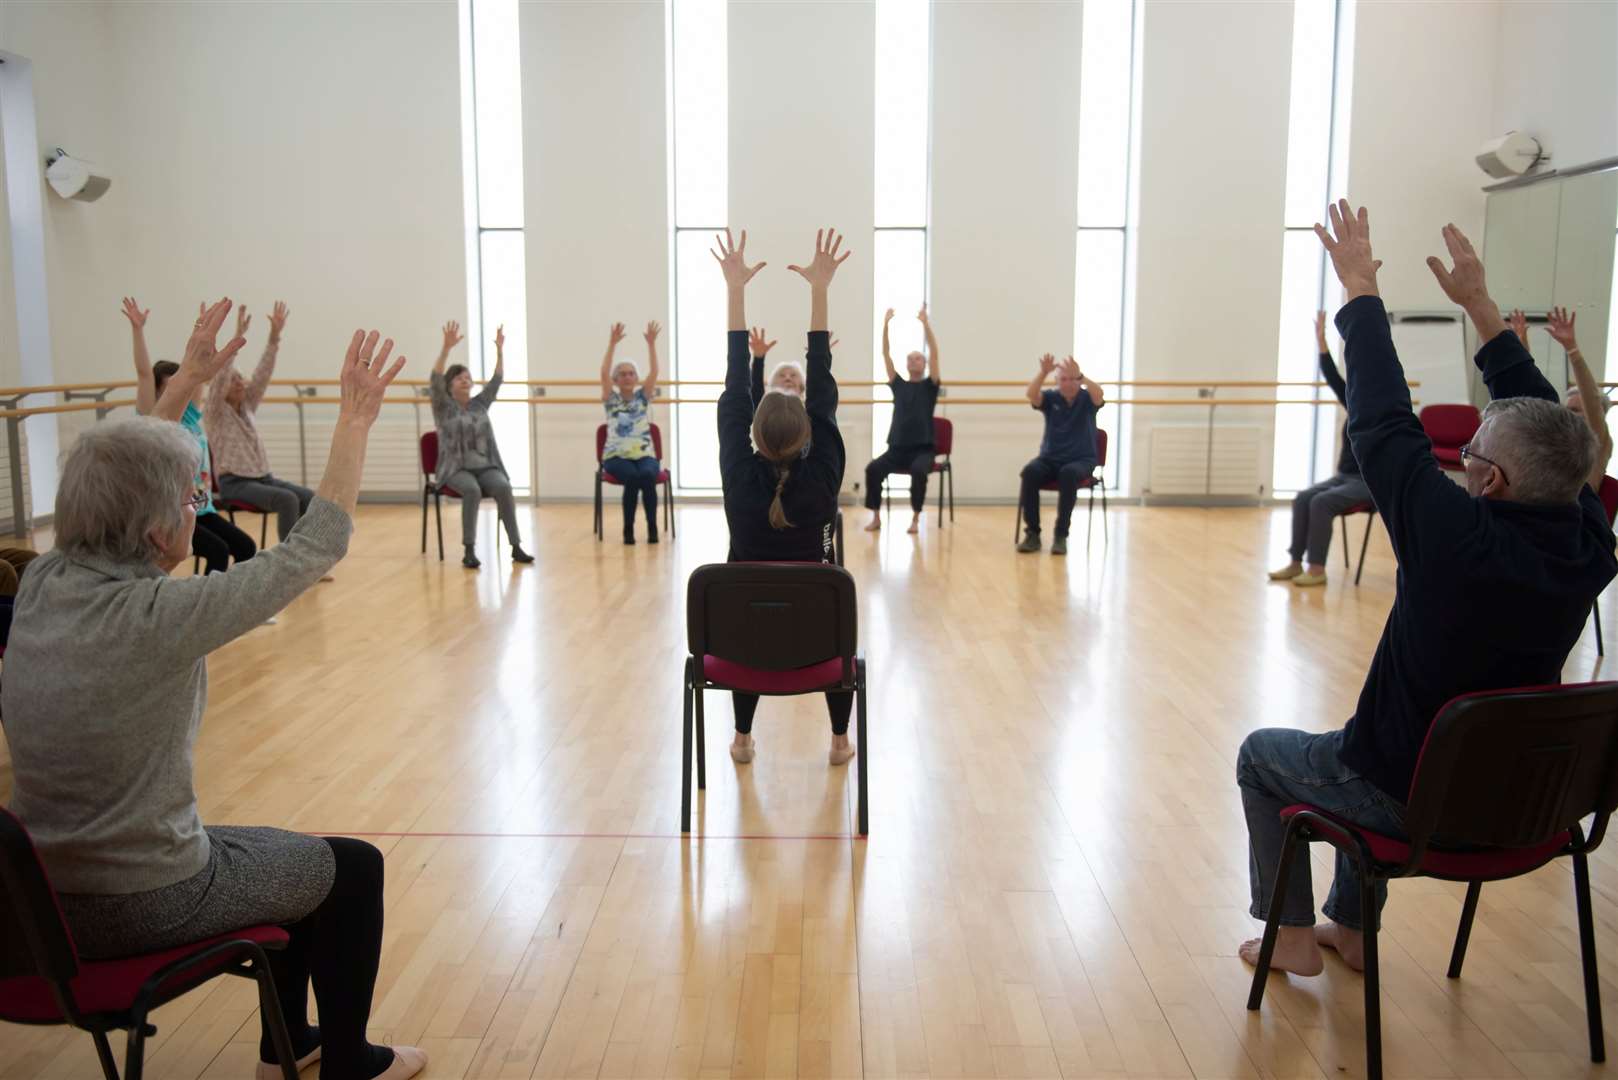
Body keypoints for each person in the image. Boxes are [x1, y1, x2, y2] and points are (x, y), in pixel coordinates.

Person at [3, 299, 427, 1080]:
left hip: (33, 901)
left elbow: (116, 474)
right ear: (161, 536)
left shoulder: (44, 582)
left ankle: (285, 1044)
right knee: (351, 867)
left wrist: (185, 386)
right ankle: (345, 1061)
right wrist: (355, 425)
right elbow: (315, 545)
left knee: (291, 857)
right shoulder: (159, 612)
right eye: (187, 506)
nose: (196, 514)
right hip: (136, 898)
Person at [1236, 203, 1616, 978]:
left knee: (1268, 756)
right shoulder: (1588, 540)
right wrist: (1482, 310)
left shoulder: (1456, 543)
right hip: (1523, 808)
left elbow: (1380, 423)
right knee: (1365, 739)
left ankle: (1295, 936)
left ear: (1489, 477)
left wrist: (1359, 290)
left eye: (1472, 450)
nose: (1464, 454)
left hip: (1412, 804)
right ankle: (1353, 928)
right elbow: (1555, 435)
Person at [713, 227, 853, 766]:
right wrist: (820, 290)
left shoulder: (737, 478)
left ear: (749, 435)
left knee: (751, 612)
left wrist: (735, 289)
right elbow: (823, 392)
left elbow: (733, 389)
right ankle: (839, 741)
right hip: (816, 642)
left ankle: (743, 738)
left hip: (741, 642)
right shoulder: (822, 479)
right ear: (809, 436)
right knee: (833, 613)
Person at [123, 296, 259, 575]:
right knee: (218, 552)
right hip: (169, 513)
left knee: (245, 547)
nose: (181, 385)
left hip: (202, 509)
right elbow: (144, 375)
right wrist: (138, 330)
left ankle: (234, 609)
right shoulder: (154, 416)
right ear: (162, 389)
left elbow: (196, 373)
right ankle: (206, 612)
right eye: (171, 382)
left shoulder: (192, 415)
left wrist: (204, 333)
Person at [1268, 311, 1374, 586]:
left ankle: (1317, 569)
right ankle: (1295, 563)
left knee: (1321, 502)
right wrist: (1321, 341)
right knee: (1303, 497)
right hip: (1344, 476)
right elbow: (1333, 377)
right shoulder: (1354, 401)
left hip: (1369, 482)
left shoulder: (1386, 412)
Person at [206, 300, 320, 546]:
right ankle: (286, 564)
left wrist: (274, 338)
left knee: (309, 497)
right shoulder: (215, 412)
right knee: (287, 499)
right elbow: (219, 379)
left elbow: (262, 375)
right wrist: (237, 339)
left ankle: (306, 556)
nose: (239, 382)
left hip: (264, 478)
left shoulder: (247, 407)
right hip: (235, 484)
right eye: (233, 380)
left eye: (240, 379)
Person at [429, 320, 533, 569]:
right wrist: (446, 348)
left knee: (504, 487)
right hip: (455, 469)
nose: (465, 381)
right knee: (472, 490)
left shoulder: (479, 404)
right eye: (459, 379)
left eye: (467, 378)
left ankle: (516, 546)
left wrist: (499, 351)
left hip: (485, 465)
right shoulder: (443, 407)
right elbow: (434, 379)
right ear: (450, 385)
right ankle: (469, 549)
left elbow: (497, 381)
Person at [863, 305, 942, 535]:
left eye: (918, 358)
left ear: (924, 365)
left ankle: (916, 519)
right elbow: (885, 355)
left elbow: (935, 353)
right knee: (873, 469)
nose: (914, 361)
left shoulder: (930, 386)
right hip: (897, 449)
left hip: (923, 451)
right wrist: (885, 325)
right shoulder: (898, 385)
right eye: (910, 359)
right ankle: (876, 516)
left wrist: (925, 324)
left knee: (918, 471)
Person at [1016, 353, 1104, 555]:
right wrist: (1043, 372)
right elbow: (1031, 394)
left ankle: (1060, 535)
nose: (1069, 383)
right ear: (1057, 382)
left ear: (1078, 380)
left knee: (1068, 474)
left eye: (1073, 379)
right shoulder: (1051, 398)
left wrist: (1082, 376)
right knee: (1029, 472)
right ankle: (1032, 534)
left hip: (1081, 461)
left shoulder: (1087, 399)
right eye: (1064, 379)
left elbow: (1099, 394)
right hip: (1050, 459)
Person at [598, 320, 664, 544]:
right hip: (616, 457)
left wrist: (651, 344)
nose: (627, 377)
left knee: (646, 475)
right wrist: (612, 343)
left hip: (644, 455)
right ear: (616, 381)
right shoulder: (611, 399)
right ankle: (628, 529)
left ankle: (652, 527)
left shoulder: (642, 397)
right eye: (622, 374)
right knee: (634, 478)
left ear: (637, 379)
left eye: (631, 373)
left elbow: (655, 371)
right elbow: (603, 372)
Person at [1548, 305, 1615, 475]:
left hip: (1578, 501)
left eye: (1583, 412)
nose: (1576, 417)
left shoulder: (1599, 440)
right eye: (1571, 410)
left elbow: (1592, 400)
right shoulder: (1555, 438)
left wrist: (1573, 350)